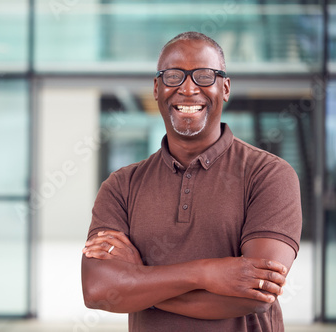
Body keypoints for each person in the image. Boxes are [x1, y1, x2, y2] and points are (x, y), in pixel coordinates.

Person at [81, 31, 302, 332]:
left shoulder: (269, 175)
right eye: (174, 76)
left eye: (204, 76)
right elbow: (97, 291)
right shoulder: (121, 186)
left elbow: (256, 294)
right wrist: (206, 273)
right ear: (157, 88)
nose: (187, 88)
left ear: (224, 88)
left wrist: (139, 279)